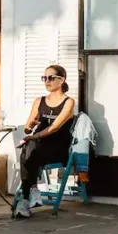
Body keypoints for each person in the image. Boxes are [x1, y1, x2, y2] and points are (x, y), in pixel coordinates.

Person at [15, 64, 75, 219]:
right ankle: (31, 193)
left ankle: (26, 198)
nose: (46, 81)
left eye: (50, 78)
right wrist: (30, 127)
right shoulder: (39, 101)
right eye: (44, 78)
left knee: (28, 149)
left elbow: (54, 128)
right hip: (37, 147)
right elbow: (28, 129)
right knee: (29, 149)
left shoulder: (68, 102)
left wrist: (33, 137)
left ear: (61, 80)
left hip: (57, 147)